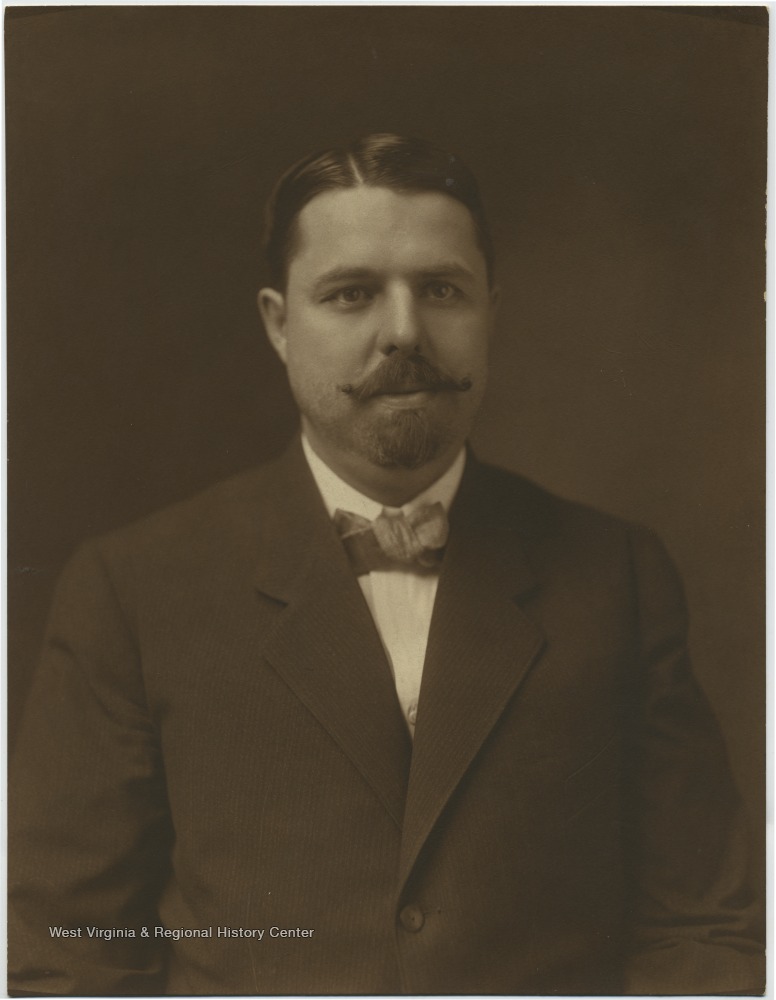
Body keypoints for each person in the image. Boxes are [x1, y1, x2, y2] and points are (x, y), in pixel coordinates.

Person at [9, 133, 764, 997]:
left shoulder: (616, 576)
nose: (404, 331)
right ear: (279, 323)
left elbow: (701, 930)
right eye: (351, 294)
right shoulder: (132, 589)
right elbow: (69, 950)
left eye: (441, 290)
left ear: (490, 311)